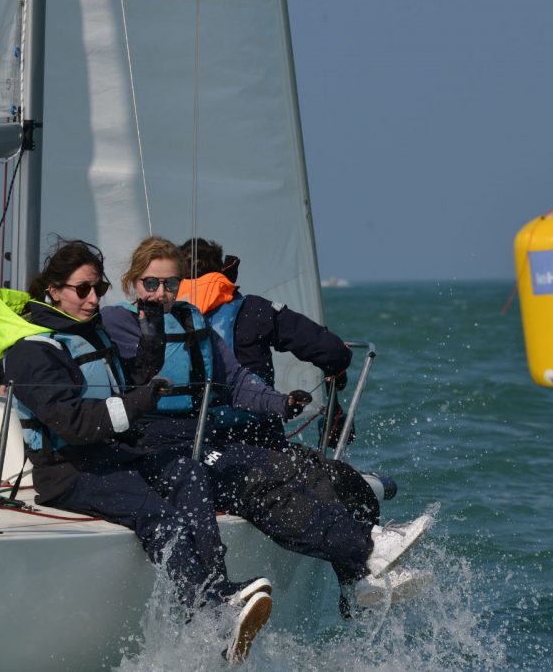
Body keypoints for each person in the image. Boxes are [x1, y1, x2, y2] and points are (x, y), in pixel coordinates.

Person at [102, 237, 432, 613]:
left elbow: (237, 381)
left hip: (201, 437)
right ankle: (367, 547)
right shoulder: (116, 324)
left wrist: (282, 404)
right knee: (255, 481)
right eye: (151, 284)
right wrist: (150, 332)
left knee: (309, 470)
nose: (161, 293)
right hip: (155, 448)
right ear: (132, 283)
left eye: (171, 285)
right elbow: (130, 379)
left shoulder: (192, 322)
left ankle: (363, 571)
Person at [0, 238, 272, 663]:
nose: (92, 299)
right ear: (53, 290)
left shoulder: (87, 331)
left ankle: (218, 590)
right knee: (157, 513)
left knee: (189, 472)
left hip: (111, 454)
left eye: (99, 290)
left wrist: (150, 345)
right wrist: (140, 402)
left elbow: (122, 380)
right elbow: (73, 423)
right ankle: (206, 615)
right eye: (82, 289)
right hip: (67, 470)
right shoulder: (33, 350)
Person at [177, 237, 352, 450]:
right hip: (255, 436)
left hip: (184, 440)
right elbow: (332, 351)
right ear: (223, 270)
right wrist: (336, 370)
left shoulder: (160, 317)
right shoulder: (254, 310)